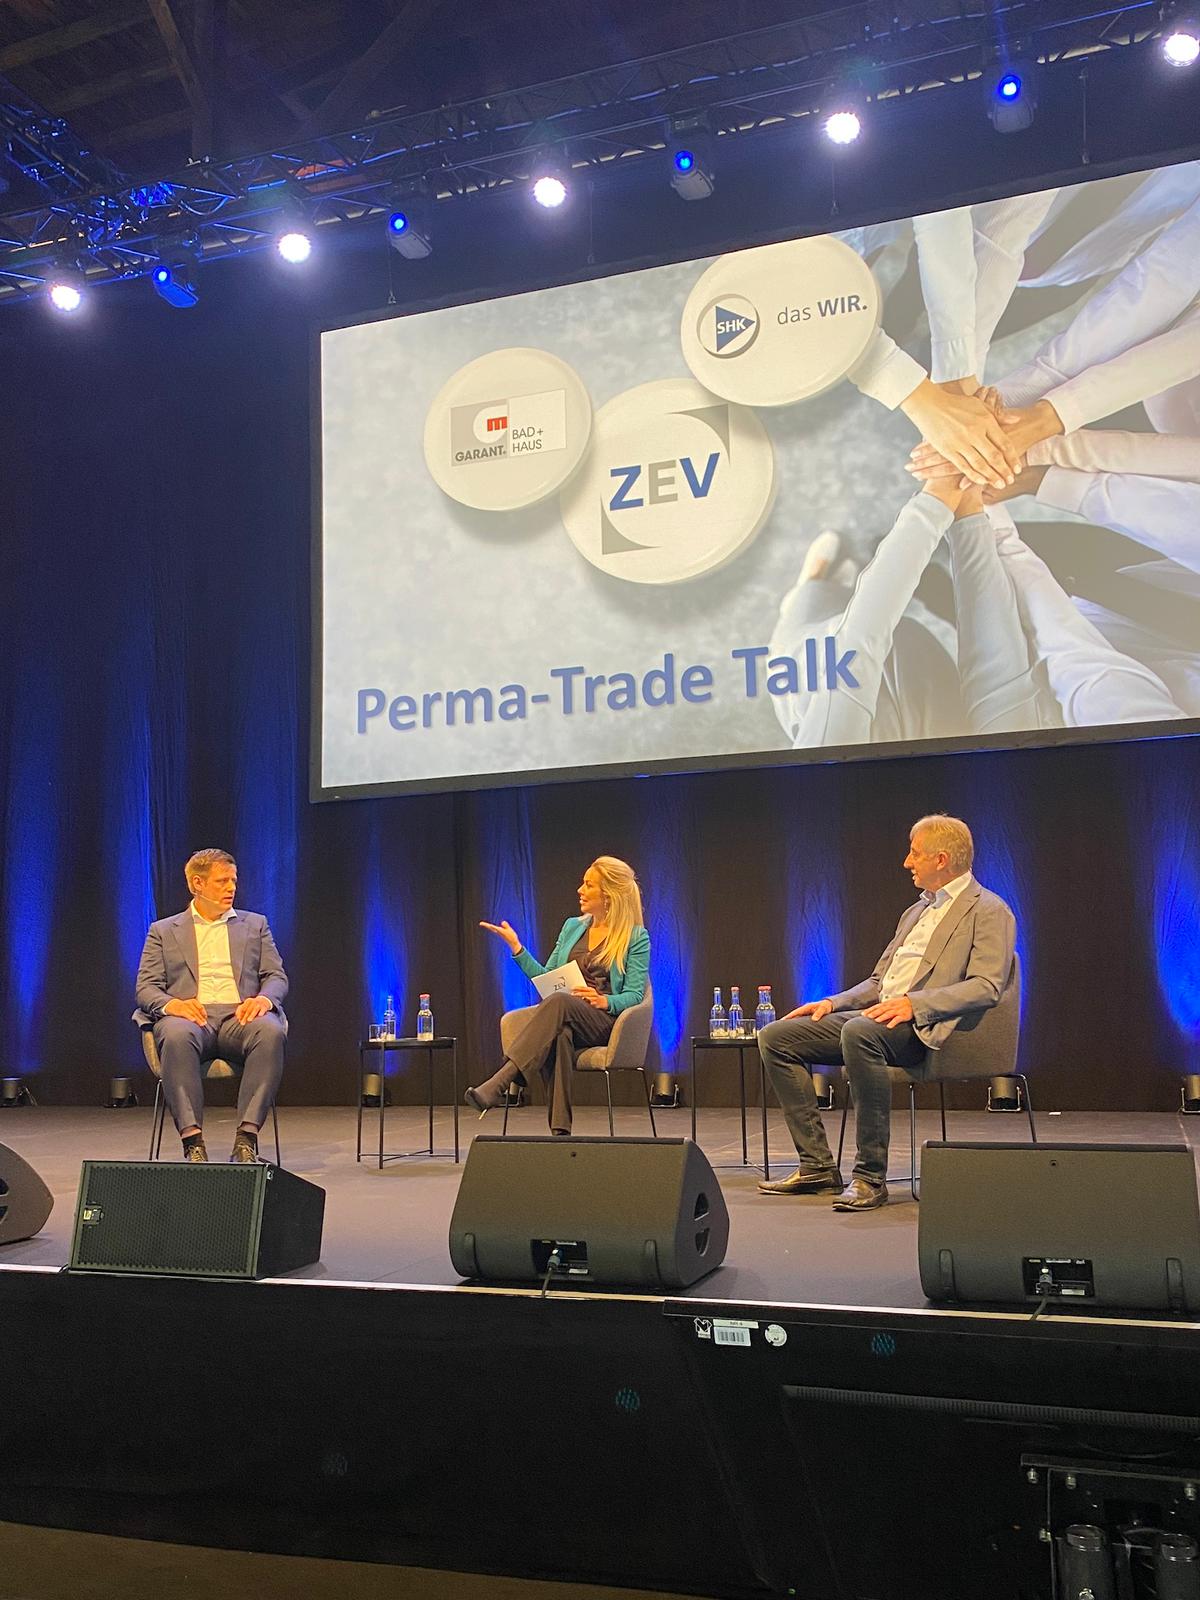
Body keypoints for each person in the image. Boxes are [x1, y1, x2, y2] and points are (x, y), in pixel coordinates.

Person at [756, 814, 1016, 1211]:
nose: (907, 862)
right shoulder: (915, 912)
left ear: (942, 859)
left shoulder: (989, 910)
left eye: (915, 853)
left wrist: (915, 1004)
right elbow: (879, 982)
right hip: (882, 1018)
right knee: (777, 1036)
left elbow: (987, 986)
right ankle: (817, 1166)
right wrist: (833, 1002)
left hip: (929, 1027)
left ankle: (869, 1177)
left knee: (860, 1032)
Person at [467, 856, 650, 1136]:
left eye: (588, 885)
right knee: (560, 1032)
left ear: (608, 896)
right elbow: (547, 976)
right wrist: (517, 948)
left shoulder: (635, 937)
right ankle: (560, 1132)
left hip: (605, 1022)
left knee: (560, 1003)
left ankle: (501, 1081)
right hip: (567, 1014)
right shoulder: (572, 927)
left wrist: (605, 1000)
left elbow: (635, 995)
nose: (580, 890)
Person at [133, 848, 288, 1164]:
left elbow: (276, 976)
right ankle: (193, 1142)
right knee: (175, 1034)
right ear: (197, 884)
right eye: (222, 881)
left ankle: (246, 1139)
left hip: (239, 1017)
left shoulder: (255, 925)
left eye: (233, 881)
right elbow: (145, 988)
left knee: (270, 1031)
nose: (231, 888)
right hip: (191, 1017)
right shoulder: (163, 931)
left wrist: (263, 999)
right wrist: (173, 1005)